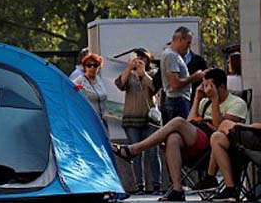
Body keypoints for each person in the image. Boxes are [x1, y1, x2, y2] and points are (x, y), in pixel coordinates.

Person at [113, 69, 247, 202]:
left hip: (214, 143)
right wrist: (197, 98)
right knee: (173, 138)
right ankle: (177, 189)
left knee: (177, 121)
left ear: (221, 86)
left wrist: (215, 99)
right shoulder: (204, 102)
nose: (206, 90)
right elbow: (190, 122)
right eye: (204, 86)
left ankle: (134, 149)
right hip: (197, 137)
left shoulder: (237, 103)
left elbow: (222, 128)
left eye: (208, 86)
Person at [115, 49, 161, 195]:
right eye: (137, 58)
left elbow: (154, 88)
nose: (140, 60)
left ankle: (156, 185)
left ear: (148, 60)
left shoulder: (153, 73)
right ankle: (139, 186)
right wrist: (129, 68)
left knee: (153, 152)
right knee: (134, 153)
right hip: (131, 120)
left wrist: (143, 74)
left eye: (143, 58)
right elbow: (120, 84)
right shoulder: (128, 74)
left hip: (150, 121)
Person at [160, 26, 205, 123]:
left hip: (180, 100)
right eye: (188, 43)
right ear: (180, 39)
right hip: (177, 100)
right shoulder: (171, 55)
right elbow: (175, 83)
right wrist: (194, 77)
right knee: (182, 131)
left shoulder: (175, 55)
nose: (188, 46)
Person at [74, 53, 108, 128]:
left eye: (95, 65)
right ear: (85, 67)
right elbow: (72, 94)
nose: (92, 68)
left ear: (99, 67)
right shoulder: (79, 81)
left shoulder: (99, 80)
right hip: (87, 121)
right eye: (89, 65)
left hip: (102, 121)